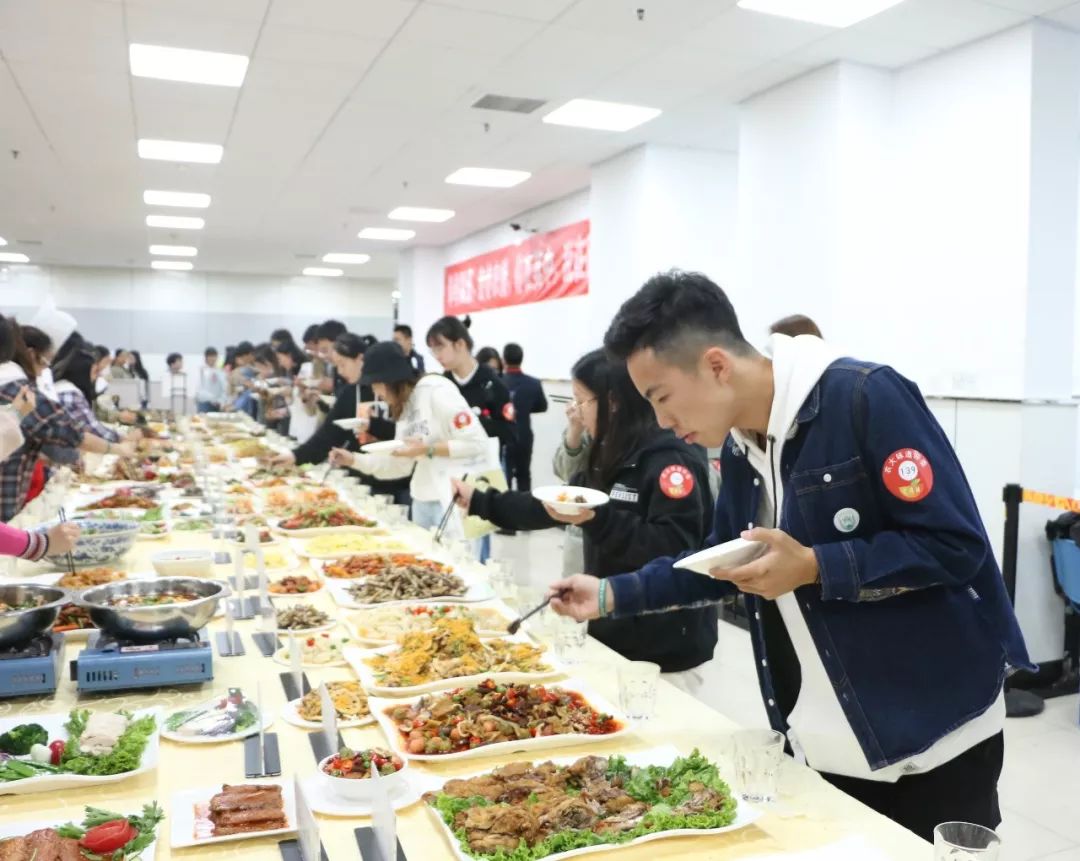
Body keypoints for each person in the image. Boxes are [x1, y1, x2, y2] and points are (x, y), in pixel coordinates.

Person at [548, 270, 1030, 841]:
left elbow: (955, 546)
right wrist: (609, 594)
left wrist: (815, 566)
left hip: (929, 733)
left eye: (661, 397)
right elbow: (721, 561)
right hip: (822, 734)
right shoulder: (739, 443)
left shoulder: (864, 396)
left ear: (716, 366)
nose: (661, 422)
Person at [455, 349, 716, 692]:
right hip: (610, 631)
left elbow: (676, 552)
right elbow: (552, 504)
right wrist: (481, 501)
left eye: (581, 400)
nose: (576, 411)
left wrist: (599, 519)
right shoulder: (608, 450)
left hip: (663, 652)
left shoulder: (671, 460)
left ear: (613, 402)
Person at [329, 341, 491, 521]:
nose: (375, 390)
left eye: (376, 383)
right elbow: (399, 466)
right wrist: (353, 460)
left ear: (390, 379)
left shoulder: (435, 389)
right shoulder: (404, 407)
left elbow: (477, 444)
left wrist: (427, 449)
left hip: (457, 500)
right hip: (422, 500)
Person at [501, 342, 547, 492]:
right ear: (522, 358)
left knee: (504, 477)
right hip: (524, 435)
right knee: (524, 475)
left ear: (504, 359)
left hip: (504, 436)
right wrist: (524, 409)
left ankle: (504, 511)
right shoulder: (533, 383)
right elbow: (542, 406)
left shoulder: (497, 381)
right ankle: (525, 509)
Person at [252, 344, 290, 434]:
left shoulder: (281, 380)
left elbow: (286, 408)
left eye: (260, 367)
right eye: (257, 367)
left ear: (270, 364)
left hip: (279, 429)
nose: (259, 370)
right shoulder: (265, 381)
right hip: (264, 425)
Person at [196, 347, 228, 413]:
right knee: (203, 422)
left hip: (217, 404)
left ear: (217, 357)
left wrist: (221, 401)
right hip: (204, 403)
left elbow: (224, 388)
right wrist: (212, 399)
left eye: (214, 356)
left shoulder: (221, 371)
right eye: (209, 356)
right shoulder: (202, 371)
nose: (212, 358)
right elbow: (199, 390)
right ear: (206, 358)